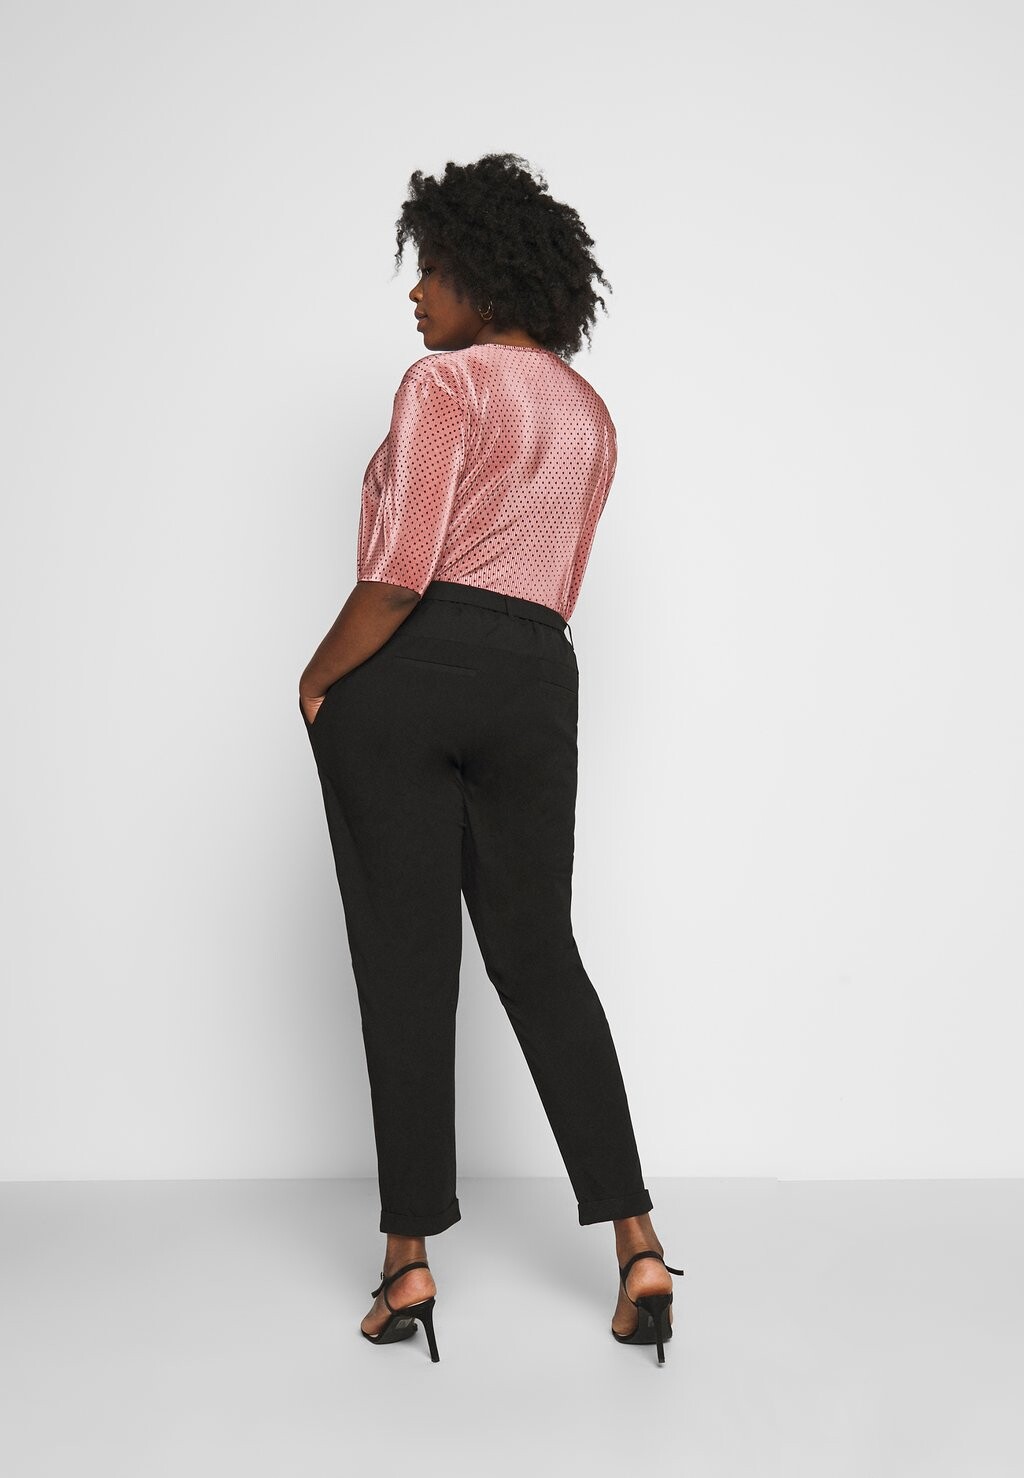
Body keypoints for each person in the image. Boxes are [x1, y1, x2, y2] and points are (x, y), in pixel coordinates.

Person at [299, 153, 683, 1364]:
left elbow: (398, 571)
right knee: (539, 951)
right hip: (535, 674)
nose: (416, 294)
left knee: (405, 964)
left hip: (411, 668)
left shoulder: (444, 382)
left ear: (479, 269)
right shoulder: (590, 412)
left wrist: (317, 678)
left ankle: (407, 1260)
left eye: (430, 269)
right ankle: (637, 1242)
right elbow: (548, 578)